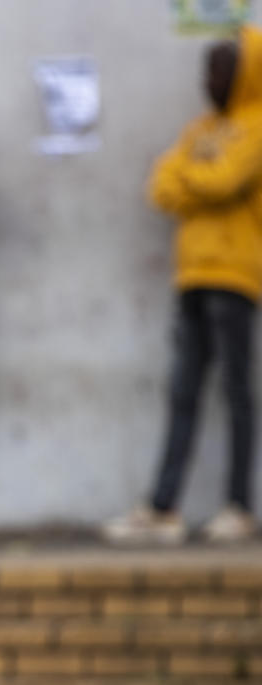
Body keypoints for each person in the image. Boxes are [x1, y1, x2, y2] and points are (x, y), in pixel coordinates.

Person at [103, 27, 262, 545]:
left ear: (245, 73)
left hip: (236, 275)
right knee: (183, 392)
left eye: (220, 69)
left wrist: (191, 178)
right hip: (190, 274)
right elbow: (160, 185)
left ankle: (238, 506)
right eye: (206, 70)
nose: (209, 80)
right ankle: (163, 507)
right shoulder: (199, 130)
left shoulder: (257, 126)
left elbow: (226, 182)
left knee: (237, 392)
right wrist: (199, 177)